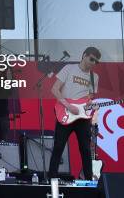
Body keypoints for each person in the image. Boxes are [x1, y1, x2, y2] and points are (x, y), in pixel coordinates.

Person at [48, 47, 101, 180]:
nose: (93, 63)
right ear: (84, 55)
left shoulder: (94, 77)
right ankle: (51, 179)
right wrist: (68, 106)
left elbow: (89, 98)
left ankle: (89, 181)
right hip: (65, 113)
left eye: (96, 61)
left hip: (82, 117)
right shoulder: (69, 69)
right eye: (91, 59)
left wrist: (91, 105)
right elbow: (54, 89)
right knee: (59, 146)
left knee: (85, 149)